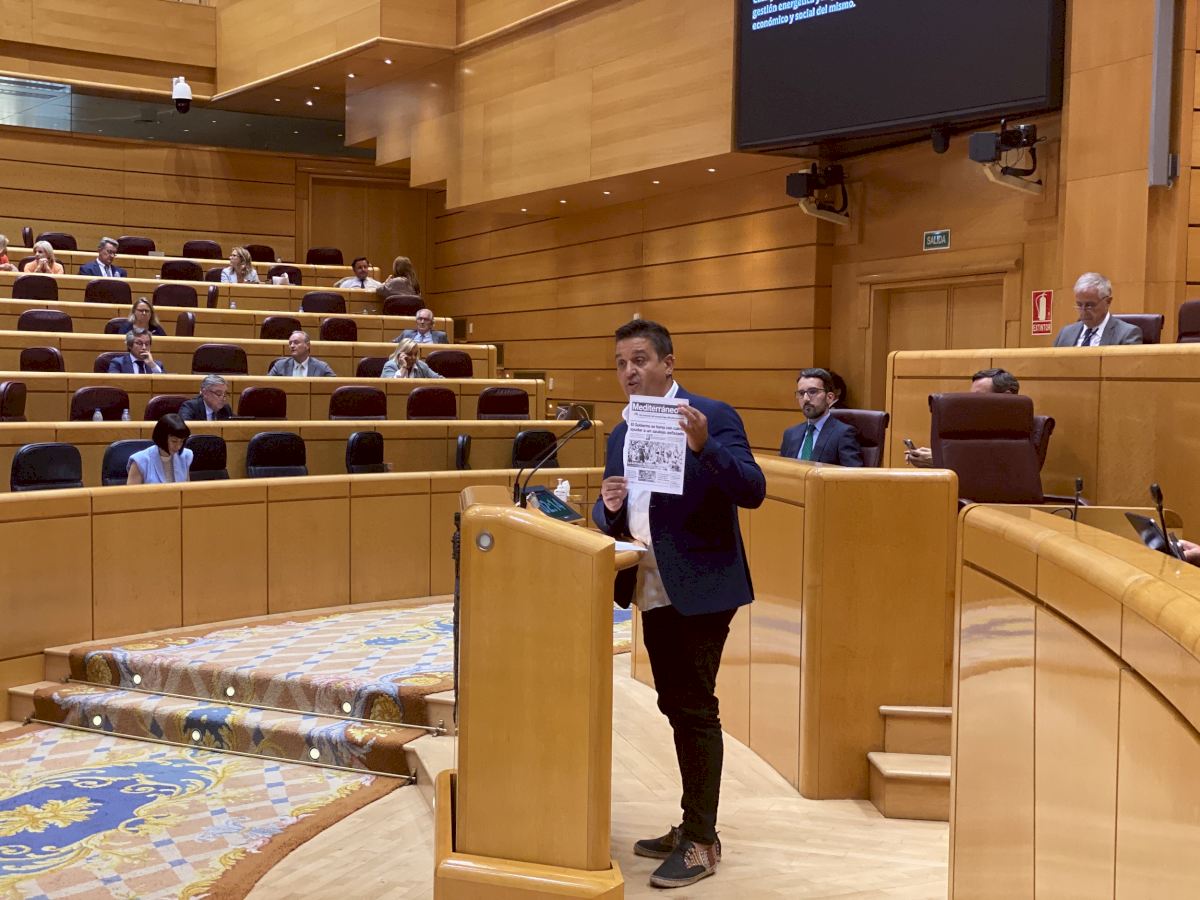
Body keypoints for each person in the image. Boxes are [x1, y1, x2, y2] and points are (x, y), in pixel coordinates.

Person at [592, 319, 765, 890]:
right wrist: (607, 508)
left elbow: (752, 490)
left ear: (668, 363)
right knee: (676, 703)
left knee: (694, 707)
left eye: (640, 359)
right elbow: (617, 513)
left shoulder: (710, 415)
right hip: (650, 585)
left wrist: (703, 446)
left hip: (702, 586)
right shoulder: (622, 431)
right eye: (621, 363)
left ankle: (702, 841)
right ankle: (693, 823)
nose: (629, 371)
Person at [905, 368, 1019, 467]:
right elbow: (972, 461)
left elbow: (995, 469)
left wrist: (940, 460)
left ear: (1006, 398)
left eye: (979, 397)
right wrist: (935, 457)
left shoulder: (1021, 432)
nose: (972, 404)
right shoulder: (976, 428)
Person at [779, 368, 864, 466]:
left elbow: (853, 474)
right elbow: (780, 470)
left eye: (812, 392)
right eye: (801, 393)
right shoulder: (790, 434)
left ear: (829, 397)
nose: (806, 399)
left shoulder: (843, 434)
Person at [1052, 272, 1143, 347]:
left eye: (1089, 305)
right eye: (1079, 305)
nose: (1083, 311)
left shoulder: (1127, 334)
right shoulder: (1065, 334)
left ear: (1108, 301)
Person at [127, 414, 192, 485]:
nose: (178, 447)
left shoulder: (186, 456)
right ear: (162, 438)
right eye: (174, 441)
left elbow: (186, 489)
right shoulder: (139, 461)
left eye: (182, 441)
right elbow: (131, 492)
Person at [267, 330, 335, 377]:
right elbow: (267, 386)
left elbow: (334, 385)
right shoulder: (279, 365)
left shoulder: (321, 367)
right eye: (290, 343)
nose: (292, 346)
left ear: (307, 346)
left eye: (296, 342)